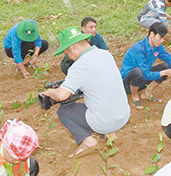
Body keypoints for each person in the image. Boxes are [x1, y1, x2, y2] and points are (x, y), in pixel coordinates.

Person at [41, 26, 131, 158]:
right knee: (99, 97)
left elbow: (61, 95)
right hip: (123, 116)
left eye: (67, 54)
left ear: (72, 47)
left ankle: (87, 141)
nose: (70, 57)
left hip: (105, 122)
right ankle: (111, 134)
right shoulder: (105, 54)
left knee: (64, 111)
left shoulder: (79, 66)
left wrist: (49, 92)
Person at [120, 22, 171, 108]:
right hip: (128, 83)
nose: (162, 40)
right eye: (160, 37)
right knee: (138, 72)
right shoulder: (138, 49)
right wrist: (163, 73)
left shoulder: (157, 46)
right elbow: (145, 74)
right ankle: (134, 96)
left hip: (143, 77)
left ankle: (146, 93)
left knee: (165, 66)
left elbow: (167, 57)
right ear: (152, 34)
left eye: (163, 38)